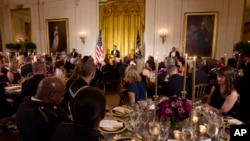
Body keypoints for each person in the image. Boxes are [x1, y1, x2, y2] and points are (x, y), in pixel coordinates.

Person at [16, 77, 72, 141]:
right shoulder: (53, 115)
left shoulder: (21, 107)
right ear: (52, 95)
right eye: (62, 95)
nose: (63, 98)